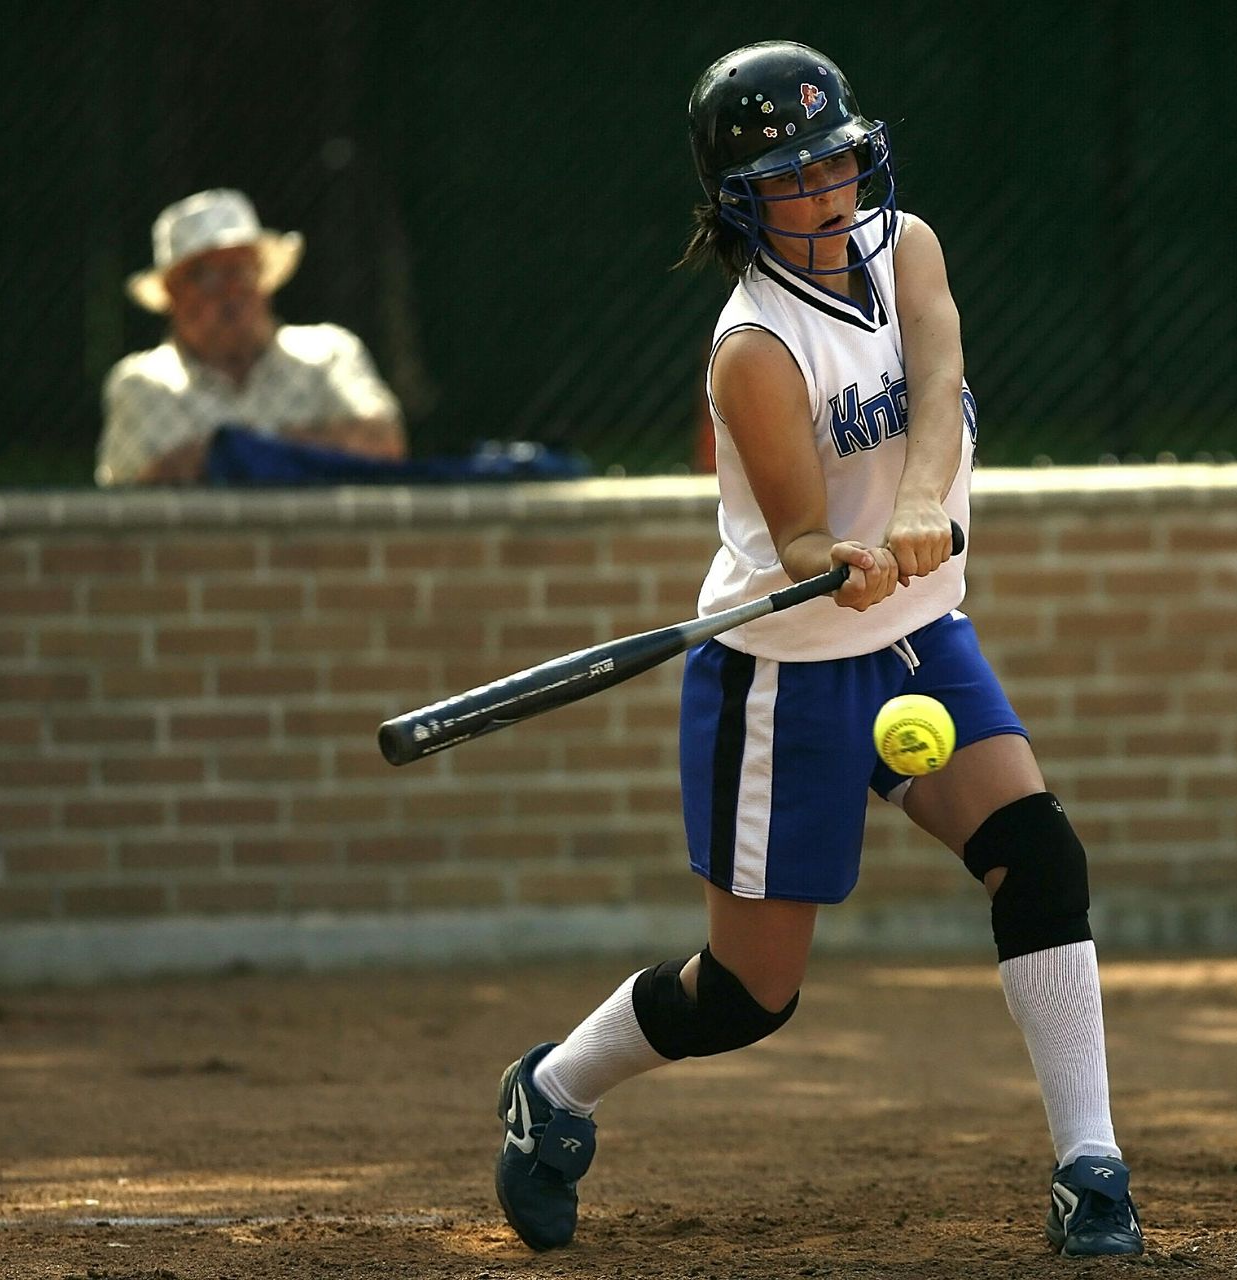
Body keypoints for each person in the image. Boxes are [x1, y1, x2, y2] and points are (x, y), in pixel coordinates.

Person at [491, 42, 1145, 1259]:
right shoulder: (755, 348)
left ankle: (1090, 1165)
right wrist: (828, 556)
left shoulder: (907, 248)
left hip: (922, 632)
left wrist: (916, 505)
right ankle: (556, 1088)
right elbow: (796, 532)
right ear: (741, 202)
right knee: (749, 995)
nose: (831, 189)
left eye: (838, 157)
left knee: (1041, 857)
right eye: (795, 175)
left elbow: (939, 382)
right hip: (782, 671)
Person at [96, 189, 406, 486]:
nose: (230, 291)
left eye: (240, 270)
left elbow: (383, 444)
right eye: (206, 276)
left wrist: (232, 453)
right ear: (172, 294)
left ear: (263, 277)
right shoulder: (140, 384)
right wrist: (305, 455)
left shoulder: (329, 353)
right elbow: (129, 503)